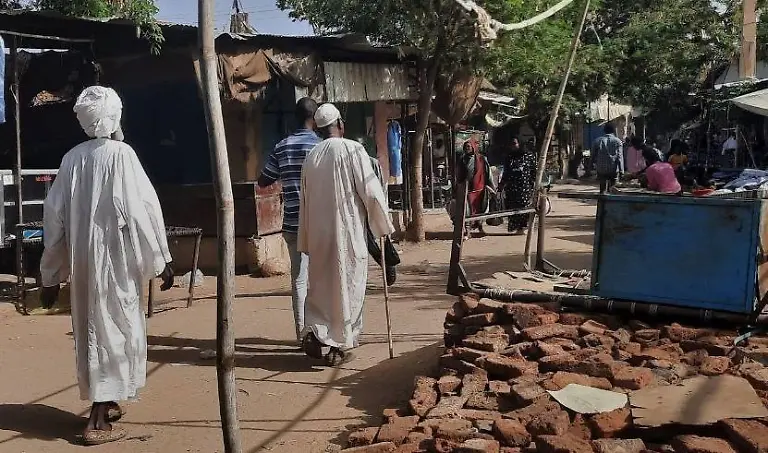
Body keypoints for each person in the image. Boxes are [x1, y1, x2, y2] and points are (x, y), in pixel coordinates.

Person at [39, 86, 173, 445]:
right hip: (116, 264)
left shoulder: (72, 159)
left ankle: (108, 399)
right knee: (113, 329)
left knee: (95, 329)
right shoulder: (121, 155)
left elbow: (54, 219)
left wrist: (50, 276)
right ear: (114, 115)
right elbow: (142, 209)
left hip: (85, 266)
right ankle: (97, 422)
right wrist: (161, 260)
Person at [298, 103, 394, 367]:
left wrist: (305, 239)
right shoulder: (353, 149)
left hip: (319, 237)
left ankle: (321, 335)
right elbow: (371, 192)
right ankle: (339, 344)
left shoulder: (311, 157)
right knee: (349, 285)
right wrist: (383, 226)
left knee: (322, 288)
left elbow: (304, 201)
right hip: (348, 234)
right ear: (340, 124)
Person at [258, 98, 320, 344]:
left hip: (293, 223)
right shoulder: (321, 146)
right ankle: (321, 332)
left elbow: (264, 180)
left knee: (299, 279)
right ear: (314, 119)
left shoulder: (281, 146)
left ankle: (301, 335)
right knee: (322, 278)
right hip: (319, 224)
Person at [500, 137, 536, 234]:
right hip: (511, 188)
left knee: (524, 208)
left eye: (514, 143)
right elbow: (506, 173)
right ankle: (514, 227)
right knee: (512, 208)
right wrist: (501, 185)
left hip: (524, 188)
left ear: (520, 144)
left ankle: (523, 227)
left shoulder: (529, 156)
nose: (513, 146)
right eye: (511, 144)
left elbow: (534, 172)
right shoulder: (509, 157)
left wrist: (535, 185)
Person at [462, 138, 495, 236]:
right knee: (467, 211)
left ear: (473, 147)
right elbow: (458, 174)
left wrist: (491, 186)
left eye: (469, 146)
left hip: (480, 189)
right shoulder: (462, 159)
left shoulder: (482, 159)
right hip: (467, 190)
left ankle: (480, 228)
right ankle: (468, 231)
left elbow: (488, 173)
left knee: (481, 209)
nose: (467, 148)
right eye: (466, 147)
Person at [592, 123, 624, 194]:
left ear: (604, 130)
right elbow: (620, 157)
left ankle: (602, 202)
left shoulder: (597, 141)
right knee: (613, 189)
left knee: (602, 188)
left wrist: (590, 167)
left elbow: (593, 155)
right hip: (614, 169)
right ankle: (612, 203)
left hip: (601, 169)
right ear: (614, 130)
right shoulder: (618, 141)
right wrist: (622, 171)